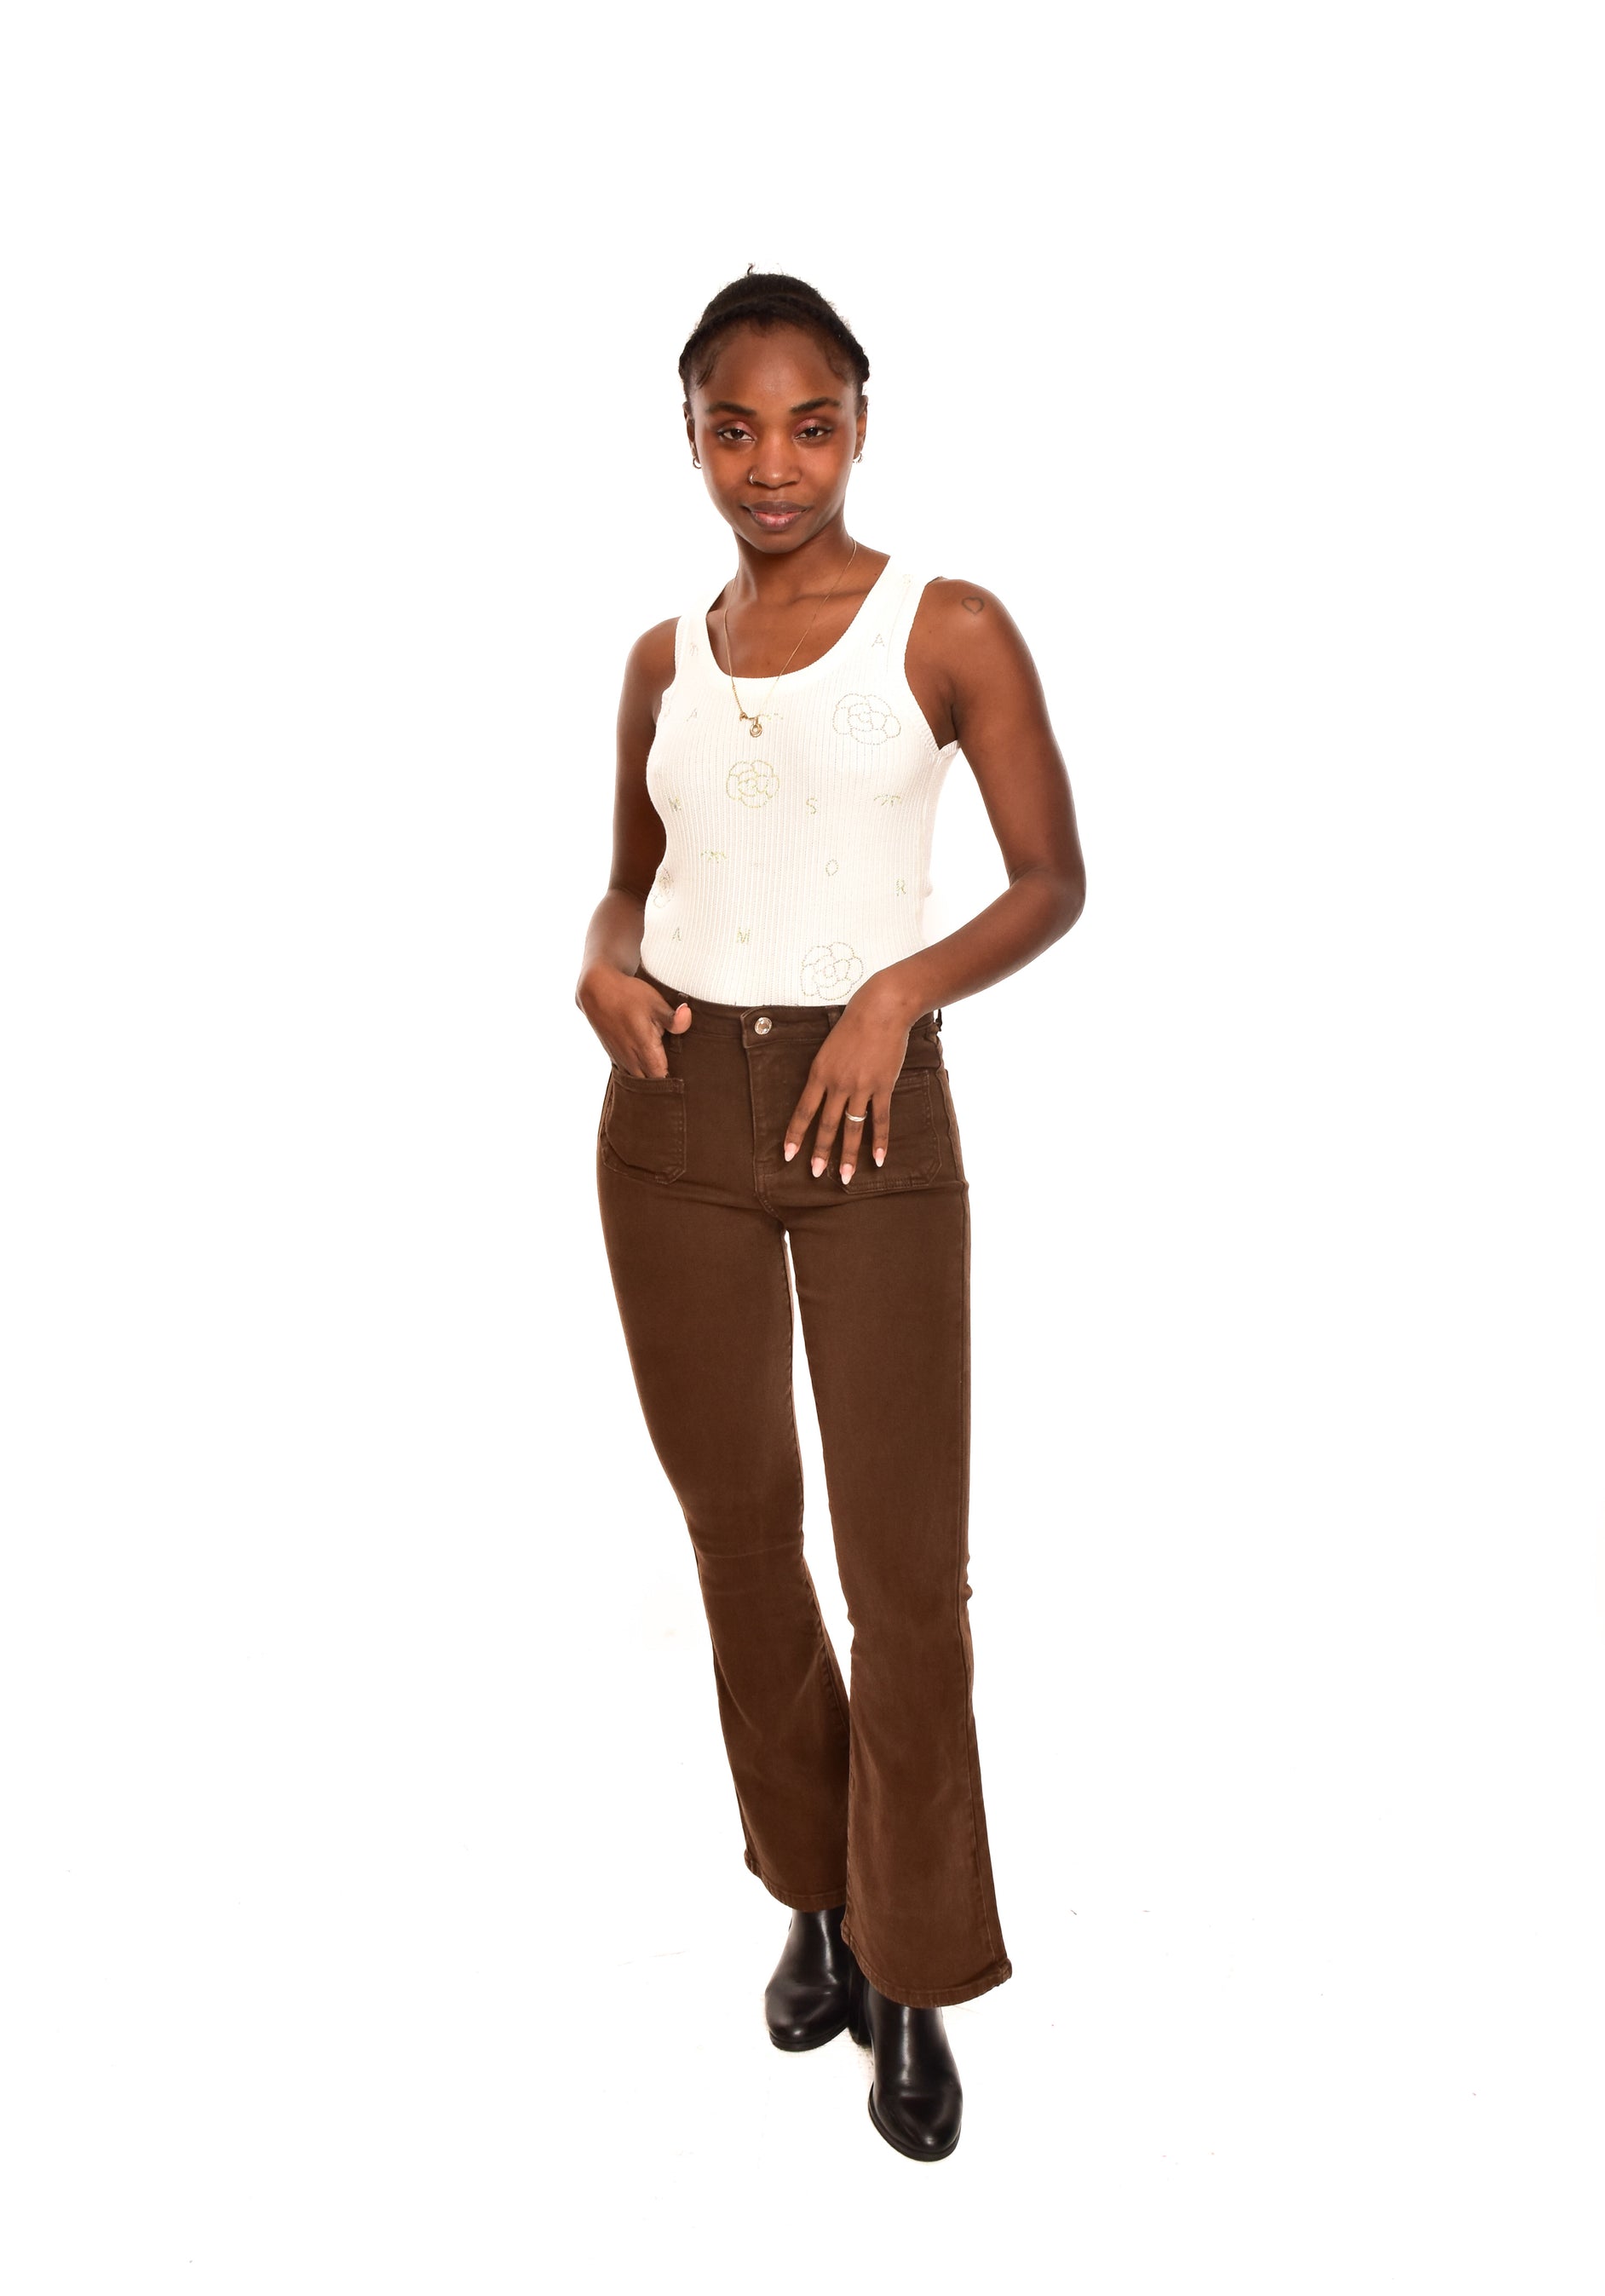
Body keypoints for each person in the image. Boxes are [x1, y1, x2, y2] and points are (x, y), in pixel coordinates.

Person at [575, 271, 1085, 2161]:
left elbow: (1050, 876)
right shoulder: (664, 656)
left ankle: (914, 1964)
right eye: (734, 427)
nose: (771, 464)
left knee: (905, 1583)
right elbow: (630, 881)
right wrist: (597, 960)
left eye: (808, 424)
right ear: (691, 436)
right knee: (739, 1545)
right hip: (670, 1120)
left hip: (872, 1118)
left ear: (859, 424)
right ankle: (813, 1890)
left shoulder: (946, 625)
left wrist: (897, 992)